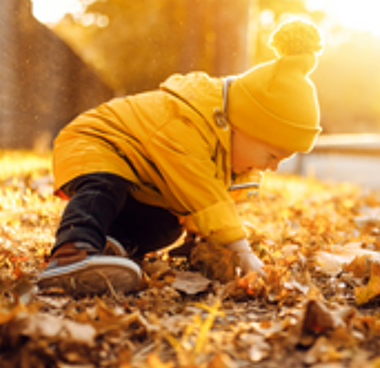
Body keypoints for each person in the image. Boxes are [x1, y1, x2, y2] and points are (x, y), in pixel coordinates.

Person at [37, 19, 324, 296]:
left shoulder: (225, 148)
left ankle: (112, 243)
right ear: (244, 124)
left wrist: (206, 244)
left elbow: (200, 210)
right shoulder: (188, 123)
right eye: (272, 154)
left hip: (139, 171)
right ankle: (72, 252)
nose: (272, 167)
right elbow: (202, 194)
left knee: (168, 224)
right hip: (98, 142)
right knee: (104, 185)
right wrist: (241, 249)